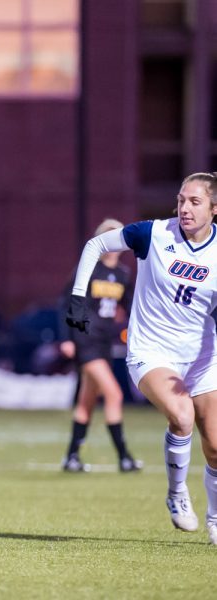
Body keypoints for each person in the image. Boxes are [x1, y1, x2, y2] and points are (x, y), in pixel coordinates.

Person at [66, 172, 217, 545]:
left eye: (195, 202)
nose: (184, 207)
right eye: (181, 199)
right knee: (181, 416)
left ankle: (215, 517)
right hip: (153, 352)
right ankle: (177, 494)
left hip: (202, 356)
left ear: (214, 209)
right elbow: (95, 244)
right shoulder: (152, 233)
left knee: (214, 443)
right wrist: (77, 296)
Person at [59, 218, 142, 473]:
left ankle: (71, 457)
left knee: (87, 401)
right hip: (86, 340)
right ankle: (124, 457)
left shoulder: (123, 275)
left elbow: (130, 308)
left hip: (105, 342)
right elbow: (66, 303)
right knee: (114, 394)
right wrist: (66, 337)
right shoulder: (88, 269)